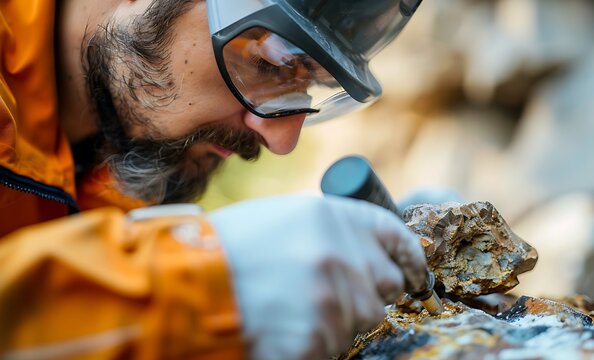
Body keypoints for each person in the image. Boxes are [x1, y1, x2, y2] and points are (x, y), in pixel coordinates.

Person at [0, 0, 430, 359]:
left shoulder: (115, 180)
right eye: (269, 62)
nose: (282, 141)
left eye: (308, 90)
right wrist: (202, 288)